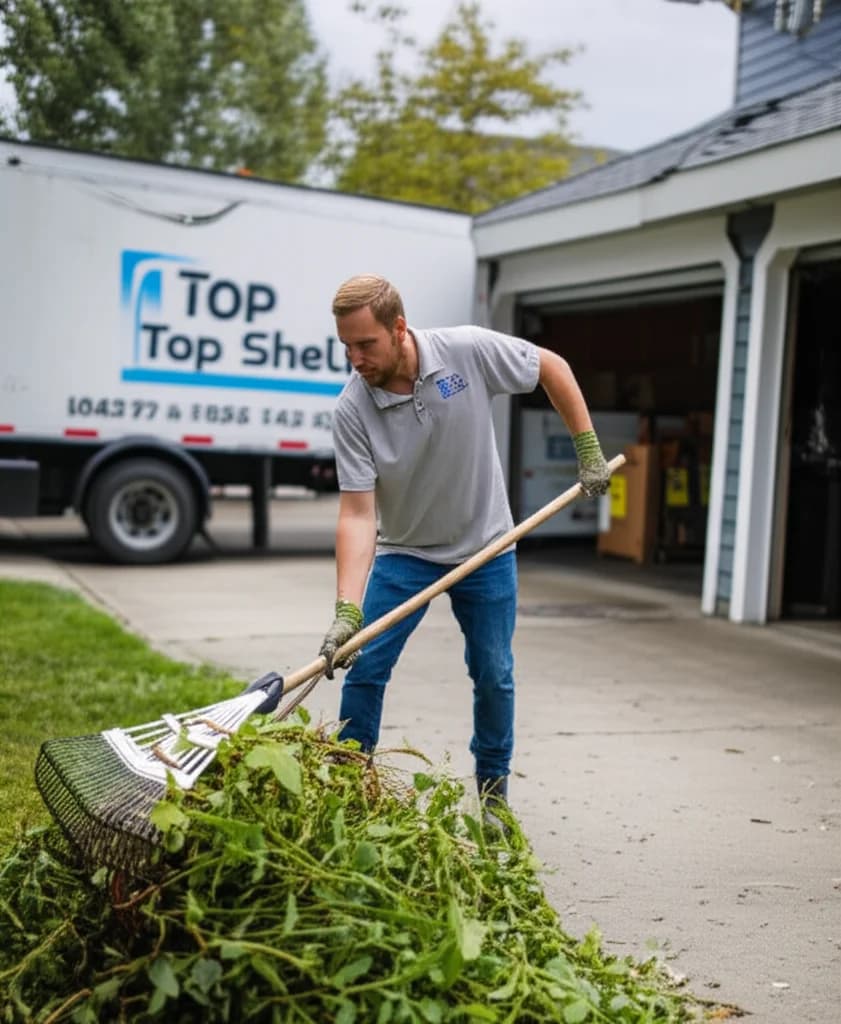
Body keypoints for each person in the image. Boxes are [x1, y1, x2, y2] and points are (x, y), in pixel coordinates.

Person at [318, 273, 610, 815]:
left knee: (493, 673)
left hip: (486, 549)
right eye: (346, 347)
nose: (355, 359)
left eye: (366, 344)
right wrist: (346, 609)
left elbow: (553, 367)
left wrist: (587, 448)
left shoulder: (466, 352)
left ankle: (494, 795)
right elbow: (358, 515)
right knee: (366, 665)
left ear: (399, 328)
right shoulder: (352, 410)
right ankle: (346, 794)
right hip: (406, 553)